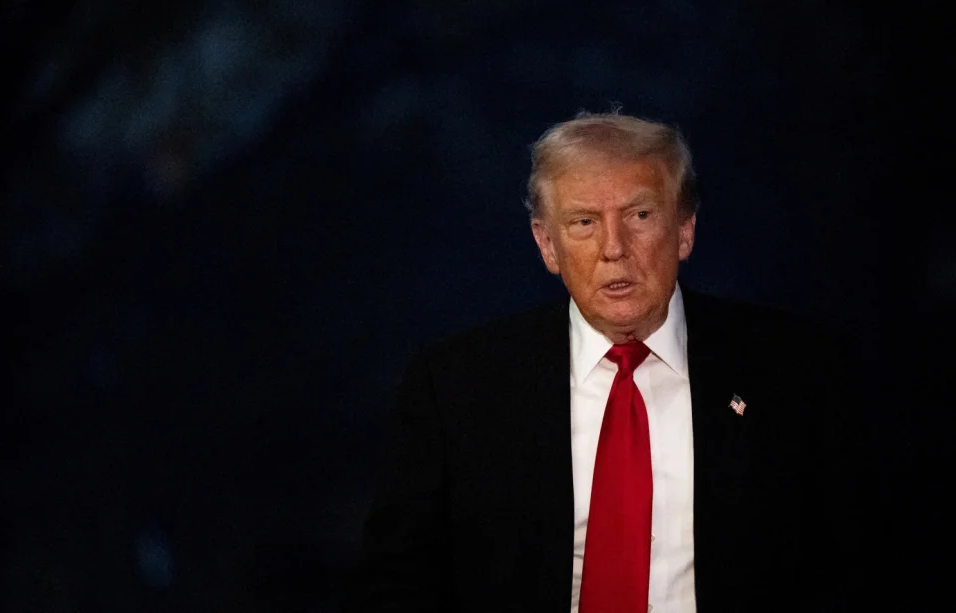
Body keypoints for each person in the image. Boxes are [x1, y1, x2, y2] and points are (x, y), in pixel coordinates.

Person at [344, 112, 873, 612]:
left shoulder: (796, 371)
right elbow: (396, 584)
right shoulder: (457, 386)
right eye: (583, 222)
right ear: (547, 245)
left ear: (684, 229)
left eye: (640, 216)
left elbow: (856, 566)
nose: (614, 248)